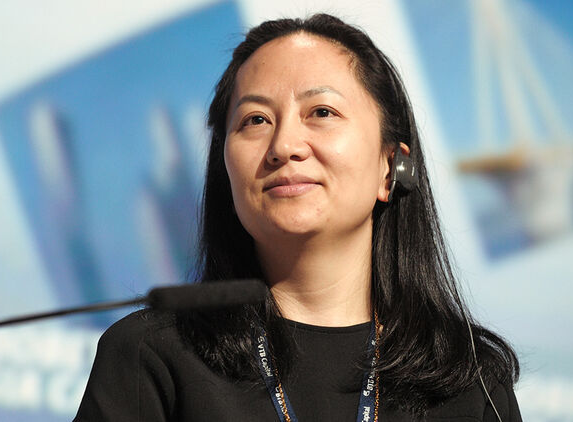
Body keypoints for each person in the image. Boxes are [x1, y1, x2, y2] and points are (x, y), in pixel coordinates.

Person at [74, 14, 521, 422]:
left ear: (391, 168)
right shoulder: (152, 355)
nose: (284, 145)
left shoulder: (471, 379)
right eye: (255, 120)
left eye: (322, 112)